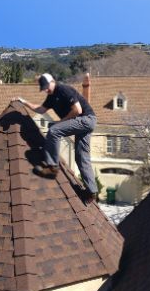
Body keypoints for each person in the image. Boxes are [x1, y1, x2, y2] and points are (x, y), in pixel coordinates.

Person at [18, 73, 98, 203]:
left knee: (54, 130)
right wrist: (23, 102)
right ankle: (91, 192)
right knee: (81, 157)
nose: (46, 90)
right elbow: (40, 109)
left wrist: (61, 122)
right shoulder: (51, 97)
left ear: (52, 81)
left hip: (86, 119)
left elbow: (77, 110)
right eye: (43, 88)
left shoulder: (63, 89)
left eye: (46, 87)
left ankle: (52, 167)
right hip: (85, 122)